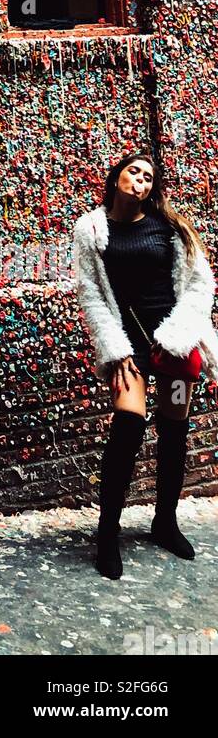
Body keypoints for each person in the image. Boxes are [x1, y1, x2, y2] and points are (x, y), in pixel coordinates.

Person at [72, 150, 218, 579]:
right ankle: (106, 533)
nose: (141, 181)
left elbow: (199, 286)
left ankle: (164, 522)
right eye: (134, 172)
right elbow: (92, 294)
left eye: (149, 177)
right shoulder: (92, 228)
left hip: (173, 347)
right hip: (129, 348)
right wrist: (114, 350)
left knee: (174, 429)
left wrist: (179, 334)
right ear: (116, 177)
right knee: (129, 425)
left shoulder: (170, 228)